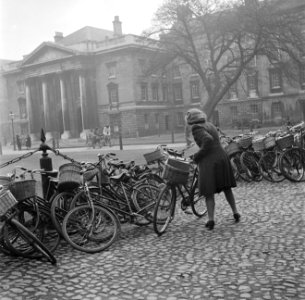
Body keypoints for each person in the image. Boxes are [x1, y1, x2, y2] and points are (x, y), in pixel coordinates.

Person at [186, 108, 240, 230]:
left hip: (210, 162)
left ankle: (211, 220)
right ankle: (235, 212)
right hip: (222, 157)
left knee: (208, 192)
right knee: (227, 188)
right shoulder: (209, 124)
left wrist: (197, 156)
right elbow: (213, 140)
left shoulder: (196, 128)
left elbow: (207, 140)